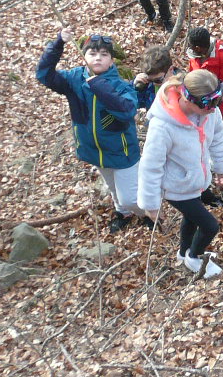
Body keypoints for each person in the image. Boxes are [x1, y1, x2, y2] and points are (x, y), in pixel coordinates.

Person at [36, 28, 143, 232]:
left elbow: (127, 111)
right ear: (84, 56)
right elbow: (44, 75)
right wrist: (58, 44)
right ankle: (123, 213)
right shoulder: (74, 79)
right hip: (94, 150)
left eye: (104, 54)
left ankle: (147, 212)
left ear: (111, 60)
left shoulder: (120, 85)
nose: (98, 58)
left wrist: (99, 86)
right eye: (92, 53)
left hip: (122, 152)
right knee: (113, 189)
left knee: (130, 197)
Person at [138, 70, 223, 274]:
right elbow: (150, 166)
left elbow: (217, 139)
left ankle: (183, 252)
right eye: (208, 104)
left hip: (195, 182)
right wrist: (151, 204)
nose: (213, 108)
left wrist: (221, 168)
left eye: (217, 100)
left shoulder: (209, 113)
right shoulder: (162, 126)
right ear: (188, 98)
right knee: (210, 226)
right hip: (176, 187)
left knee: (191, 219)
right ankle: (194, 257)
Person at [186, 27, 223, 118]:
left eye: (191, 46)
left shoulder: (222, 58)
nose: (189, 48)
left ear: (197, 48)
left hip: (214, 105)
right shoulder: (194, 56)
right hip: (198, 102)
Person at [134, 44, 176, 110]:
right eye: (149, 80)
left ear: (170, 70)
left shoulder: (182, 89)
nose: (154, 84)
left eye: (158, 80)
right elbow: (134, 104)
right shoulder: (147, 84)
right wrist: (137, 89)